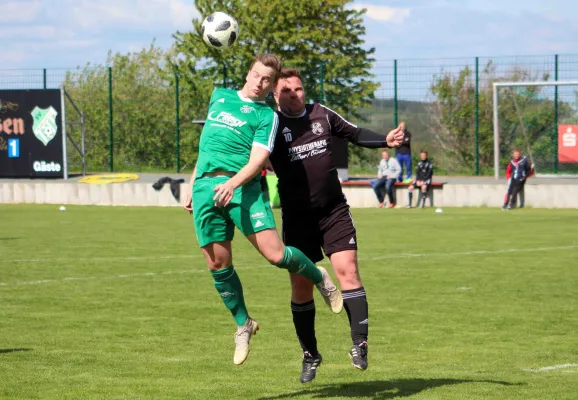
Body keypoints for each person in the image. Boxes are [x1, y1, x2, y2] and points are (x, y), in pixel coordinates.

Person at [182, 55, 343, 367]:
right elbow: (207, 145)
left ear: (272, 87)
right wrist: (193, 182)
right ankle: (243, 325)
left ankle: (319, 275)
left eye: (266, 80)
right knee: (217, 263)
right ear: (248, 73)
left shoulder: (266, 116)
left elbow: (258, 159)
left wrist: (232, 183)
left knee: (276, 255)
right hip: (205, 187)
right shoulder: (220, 96)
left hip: (242, 188)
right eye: (256, 75)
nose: (259, 82)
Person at [270, 68, 403, 383]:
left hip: (334, 212)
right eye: (286, 90)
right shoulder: (270, 124)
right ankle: (310, 354)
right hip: (297, 218)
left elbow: (355, 134)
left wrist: (385, 139)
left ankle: (360, 343)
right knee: (301, 287)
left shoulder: (322, 114)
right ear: (275, 95)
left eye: (298, 89)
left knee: (349, 272)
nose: (294, 94)